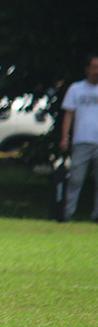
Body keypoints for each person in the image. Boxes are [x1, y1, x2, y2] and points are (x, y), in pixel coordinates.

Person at [58, 53, 98, 223]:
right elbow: (68, 115)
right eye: (94, 67)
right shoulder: (76, 89)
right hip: (81, 141)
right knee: (75, 179)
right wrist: (64, 138)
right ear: (87, 69)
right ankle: (67, 214)